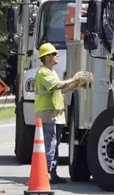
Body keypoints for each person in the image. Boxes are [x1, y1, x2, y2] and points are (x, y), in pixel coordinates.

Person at [34, 42, 90, 184]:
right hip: (47, 113)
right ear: (46, 57)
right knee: (50, 144)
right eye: (54, 54)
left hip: (56, 114)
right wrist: (74, 79)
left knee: (55, 144)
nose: (56, 55)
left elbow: (61, 90)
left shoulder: (52, 72)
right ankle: (46, 174)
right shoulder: (43, 73)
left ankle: (52, 172)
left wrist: (75, 85)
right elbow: (57, 86)